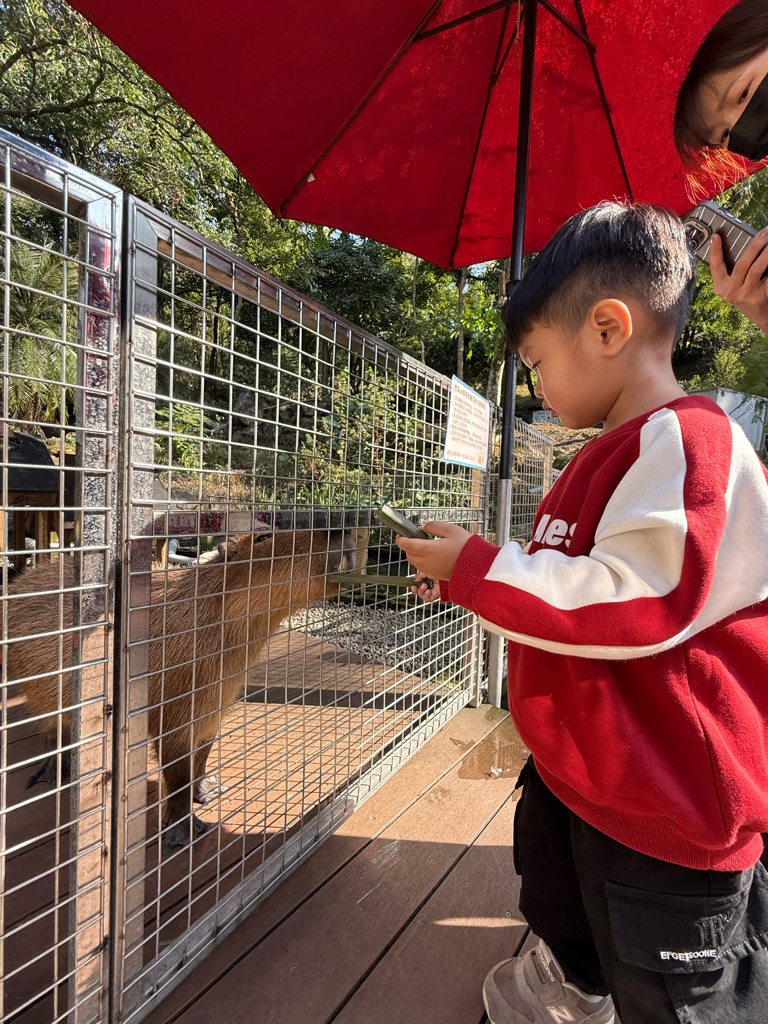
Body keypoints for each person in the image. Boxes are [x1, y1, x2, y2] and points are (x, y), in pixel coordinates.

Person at [397, 201, 768, 1024]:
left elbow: (636, 601)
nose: (534, 385)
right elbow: (570, 582)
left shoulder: (690, 443)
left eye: (535, 361)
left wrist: (481, 571)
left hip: (668, 796)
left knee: (675, 992)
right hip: (595, 768)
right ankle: (579, 981)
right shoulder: (613, 450)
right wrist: (470, 579)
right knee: (565, 899)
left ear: (607, 328)